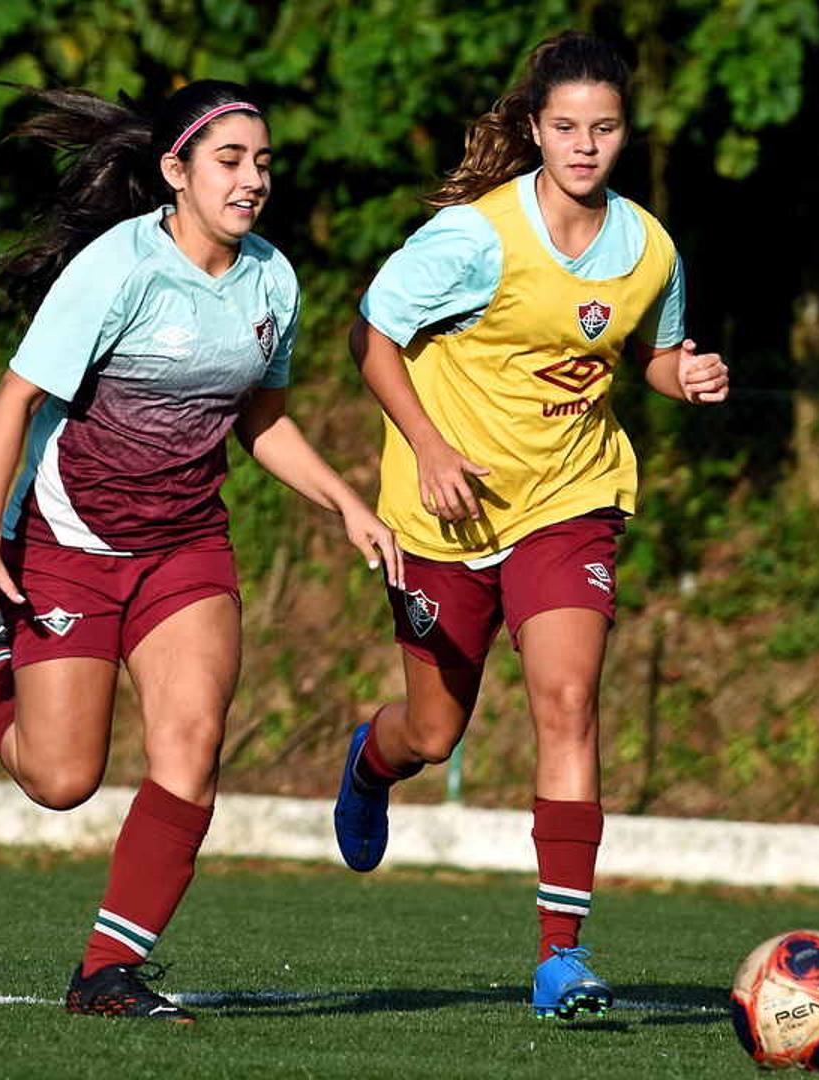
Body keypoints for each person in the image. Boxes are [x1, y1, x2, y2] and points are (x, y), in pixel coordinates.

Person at [0, 80, 402, 1024]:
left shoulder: (271, 279)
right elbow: (13, 400)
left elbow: (261, 418)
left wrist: (346, 501)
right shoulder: (115, 268)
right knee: (61, 781)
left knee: (194, 741)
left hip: (185, 546)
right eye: (229, 160)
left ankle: (106, 971)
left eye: (262, 161)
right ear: (175, 172)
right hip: (68, 542)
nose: (251, 178)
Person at [330, 32, 729, 1020]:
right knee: (434, 730)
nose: (585, 146)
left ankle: (563, 956)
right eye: (566, 127)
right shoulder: (475, 238)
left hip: (570, 500)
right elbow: (371, 336)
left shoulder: (650, 248)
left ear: (624, 131)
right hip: (448, 511)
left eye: (603, 127)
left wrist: (685, 374)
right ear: (536, 130)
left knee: (568, 698)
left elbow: (649, 350)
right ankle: (370, 762)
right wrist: (426, 447)